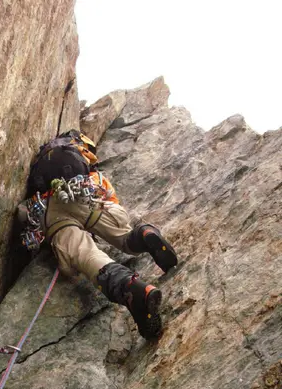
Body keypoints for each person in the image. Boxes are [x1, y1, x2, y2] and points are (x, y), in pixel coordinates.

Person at [25, 130, 178, 341]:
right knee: (124, 237)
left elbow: (22, 215)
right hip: (84, 193)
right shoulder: (93, 174)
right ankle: (144, 235)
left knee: (84, 255)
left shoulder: (44, 172)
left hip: (49, 207)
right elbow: (114, 206)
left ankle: (129, 288)